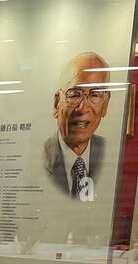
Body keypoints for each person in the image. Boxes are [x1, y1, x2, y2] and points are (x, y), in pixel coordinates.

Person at [45, 52, 111, 200]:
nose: (82, 108)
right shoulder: (40, 157)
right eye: (74, 94)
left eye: (95, 95)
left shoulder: (111, 156)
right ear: (57, 104)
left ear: (105, 104)